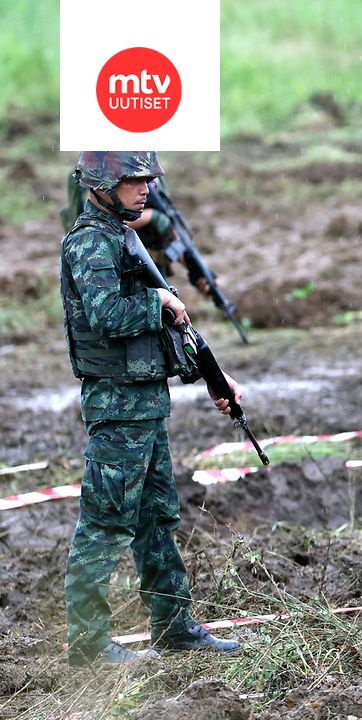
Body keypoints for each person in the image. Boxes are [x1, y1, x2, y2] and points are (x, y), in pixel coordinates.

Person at [62, 151, 242, 666]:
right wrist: (159, 302)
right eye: (133, 181)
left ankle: (173, 625)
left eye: (147, 180)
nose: (145, 190)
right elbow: (107, 317)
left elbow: (158, 336)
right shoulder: (91, 242)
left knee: (155, 518)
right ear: (101, 185)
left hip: (144, 402)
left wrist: (210, 376)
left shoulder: (123, 236)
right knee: (106, 522)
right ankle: (89, 646)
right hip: (117, 407)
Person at [62, 169, 216, 298]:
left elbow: (173, 233)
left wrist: (197, 270)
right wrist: (151, 217)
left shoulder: (150, 170)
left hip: (149, 262)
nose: (145, 189)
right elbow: (98, 218)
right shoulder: (102, 164)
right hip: (115, 262)